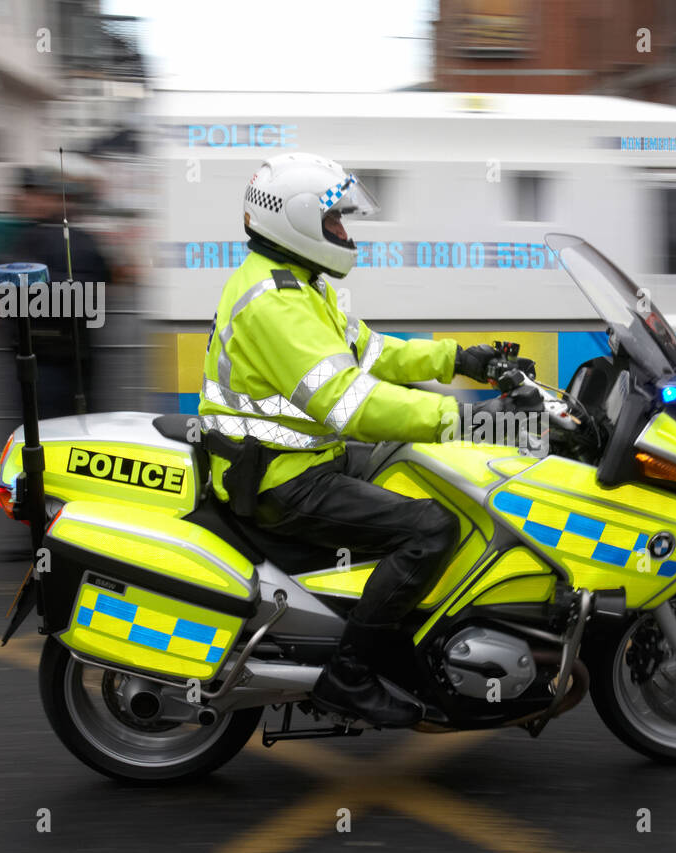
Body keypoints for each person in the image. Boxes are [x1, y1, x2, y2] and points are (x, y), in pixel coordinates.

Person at [198, 152, 529, 727]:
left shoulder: (300, 286)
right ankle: (347, 675)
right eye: (334, 223)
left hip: (297, 458)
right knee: (432, 527)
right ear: (294, 222)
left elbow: (374, 353)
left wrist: (460, 359)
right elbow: (353, 403)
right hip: (283, 478)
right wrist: (463, 419)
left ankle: (404, 636)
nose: (344, 234)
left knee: (420, 467)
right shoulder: (275, 304)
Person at [9, 166, 112, 417]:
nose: (24, 200)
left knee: (47, 430)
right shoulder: (75, 239)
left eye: (34, 194)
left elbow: (90, 294)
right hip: (62, 358)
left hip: (53, 360)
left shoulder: (37, 241)